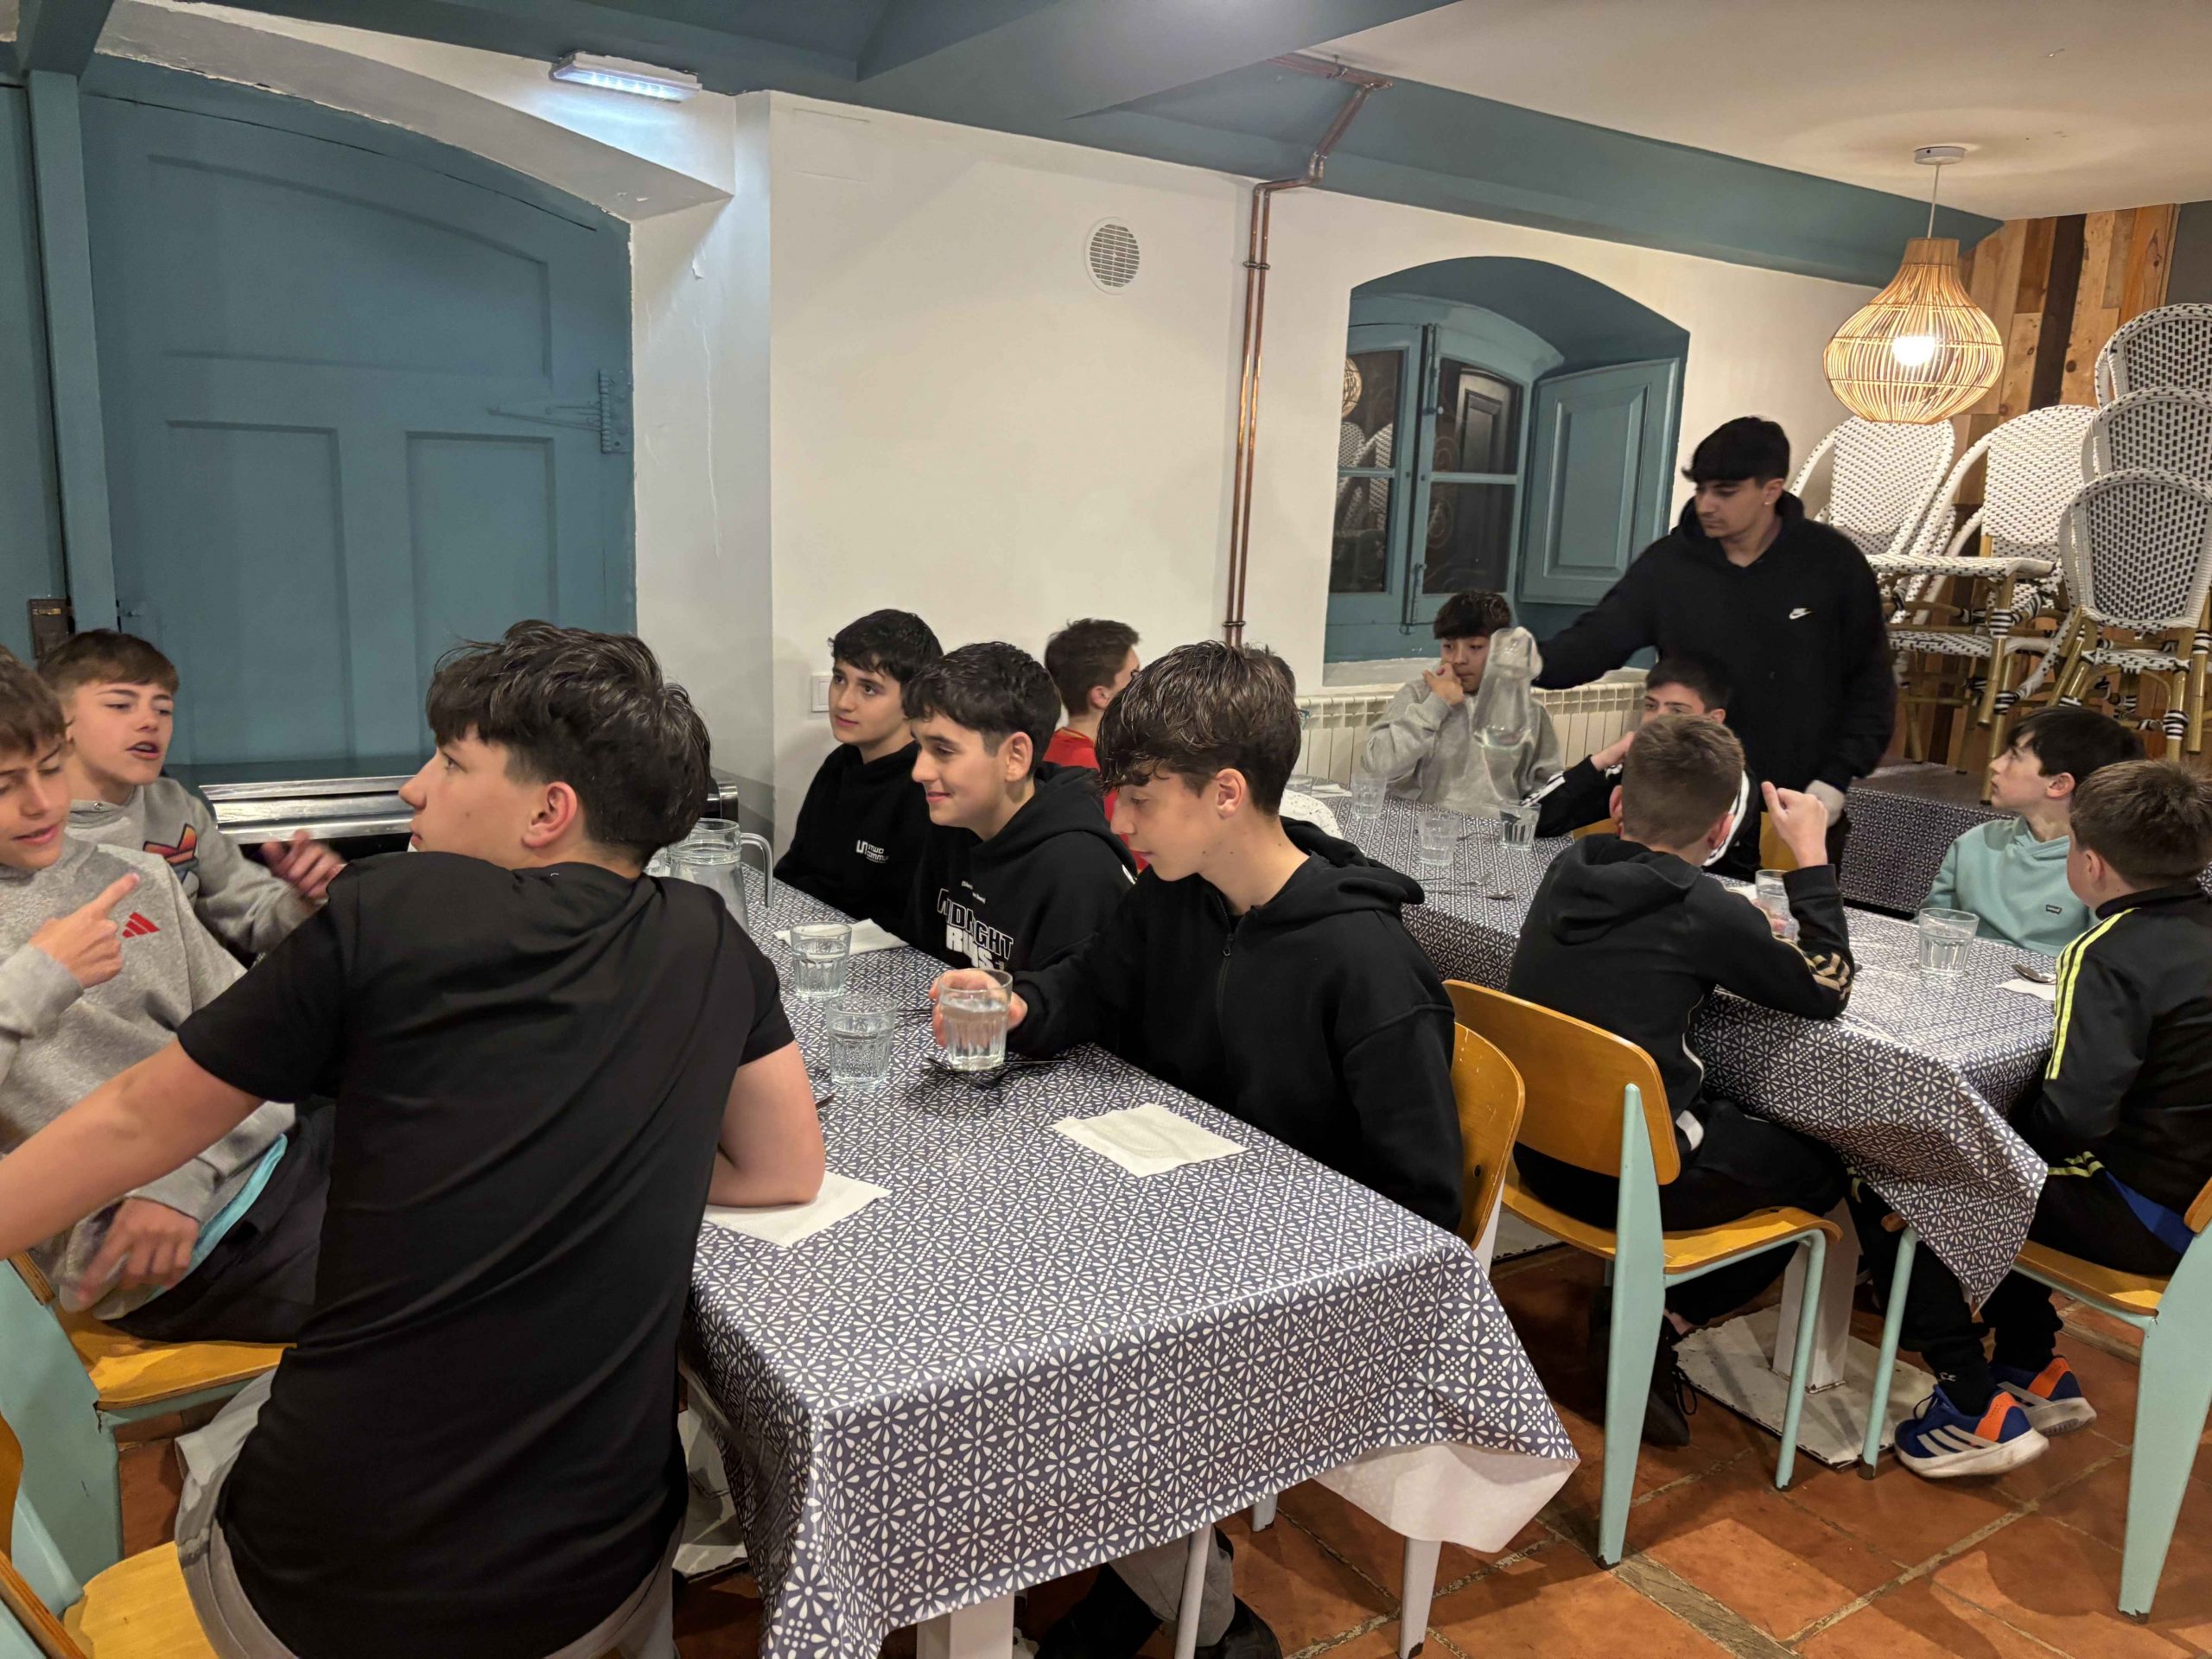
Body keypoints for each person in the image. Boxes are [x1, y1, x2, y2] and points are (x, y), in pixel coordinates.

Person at [0, 621, 824, 1659]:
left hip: (330, 1593)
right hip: (604, 1575)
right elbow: (785, 1168)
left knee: (256, 1440)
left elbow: (132, 1119)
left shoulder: (389, 911)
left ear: (547, 812)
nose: (412, 789)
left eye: (450, 763)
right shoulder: (711, 935)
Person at [935, 641, 1461, 1659]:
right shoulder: (1176, 896)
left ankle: (1206, 1621)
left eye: (1139, 797)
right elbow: (1087, 986)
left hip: (1304, 1286)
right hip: (1174, 1226)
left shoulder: (1365, 964)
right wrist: (1018, 1005)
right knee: (990, 1292)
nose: (1118, 823)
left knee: (1061, 1369)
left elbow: (1419, 1207)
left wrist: (1263, 1238)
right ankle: (1151, 1586)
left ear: (1226, 793)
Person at [1859, 759, 2212, 1479]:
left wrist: (1988, 1148)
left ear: (2091, 863)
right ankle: (2030, 1362)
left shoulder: (2110, 952)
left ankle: (1970, 1401)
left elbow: (2074, 1119)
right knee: (2011, 1165)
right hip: (2195, 1208)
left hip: (2147, 1217)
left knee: (1897, 1167)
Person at [1507, 715, 1853, 1444]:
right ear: (1724, 827)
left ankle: (1641, 1309)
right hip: (1630, 1186)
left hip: (1536, 1156)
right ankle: (1663, 1318)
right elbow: (1827, 988)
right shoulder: (1702, 908)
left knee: (1718, 1109)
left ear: (1618, 804)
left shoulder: (1565, 868)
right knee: (1825, 1168)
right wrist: (1811, 858)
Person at [0, 656, 327, 1343]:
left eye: (51, 769)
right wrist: (30, 986)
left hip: (274, 1153)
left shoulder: (136, 876)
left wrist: (184, 1170)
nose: (42, 804)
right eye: (5, 785)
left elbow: (264, 1045)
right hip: (194, 1252)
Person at [1534, 417, 1894, 861]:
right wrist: (1520, 663)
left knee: (1792, 907)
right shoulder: (1669, 566)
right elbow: (1595, 642)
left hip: (1793, 802)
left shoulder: (1832, 563)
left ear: (1771, 490)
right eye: (1701, 489)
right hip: (1686, 802)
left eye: (1725, 492)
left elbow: (1871, 680)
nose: (1706, 504)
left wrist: (1837, 777)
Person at [41, 631, 343, 956]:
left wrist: (307, 899)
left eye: (163, 709)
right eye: (120, 705)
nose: (149, 721)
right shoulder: (29, 830)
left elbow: (254, 913)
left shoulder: (174, 803)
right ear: (58, 721)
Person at [901, 641, 1135, 973]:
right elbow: (919, 962)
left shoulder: (1079, 871)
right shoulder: (954, 822)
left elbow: (1077, 1002)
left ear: (1015, 757)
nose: (919, 772)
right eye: (919, 746)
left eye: (943, 751)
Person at [773, 609, 942, 931]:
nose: (843, 702)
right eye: (839, 679)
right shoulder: (840, 763)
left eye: (869, 688)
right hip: (812, 935)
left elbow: (909, 921)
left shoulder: (927, 787)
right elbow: (795, 870)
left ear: (914, 702)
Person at [1927, 708, 2144, 957]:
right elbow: (1930, 928)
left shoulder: (2103, 866)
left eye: (2013, 756)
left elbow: (2102, 961)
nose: (1995, 765)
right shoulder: (1977, 841)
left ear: (2058, 784)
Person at [1528, 655, 1760, 876]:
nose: (1657, 718)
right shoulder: (1635, 763)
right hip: (1631, 881)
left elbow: (1698, 862)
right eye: (1651, 706)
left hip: (1716, 896)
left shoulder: (1729, 776)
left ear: (1714, 719)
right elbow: (1533, 820)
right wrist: (1603, 759)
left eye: (1677, 710)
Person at [1362, 590, 1562, 815]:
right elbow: (1378, 768)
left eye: (1475, 647)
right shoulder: (1418, 695)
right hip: (1423, 827)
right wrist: (1437, 703)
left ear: (1500, 649)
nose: (1458, 659)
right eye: (1449, 646)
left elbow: (1547, 789)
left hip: (1494, 830)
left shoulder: (1525, 709)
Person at [1042, 617, 1143, 864]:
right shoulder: (1099, 772)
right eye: (1134, 675)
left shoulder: (1044, 748)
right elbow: (1137, 861)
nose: (1143, 684)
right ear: (1102, 695)